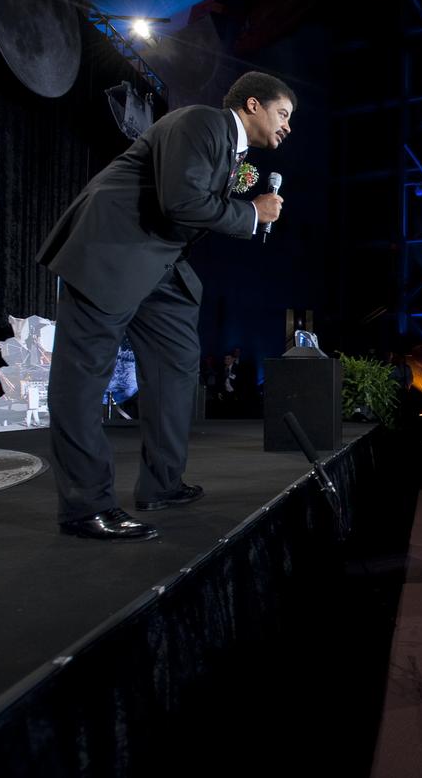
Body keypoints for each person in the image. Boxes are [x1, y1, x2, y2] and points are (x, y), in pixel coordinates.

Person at [39, 71, 293, 541]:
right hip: (111, 250)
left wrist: (241, 202)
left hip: (158, 263)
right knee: (82, 378)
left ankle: (162, 484)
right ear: (253, 105)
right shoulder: (201, 122)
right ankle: (85, 506)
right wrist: (250, 212)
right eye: (283, 114)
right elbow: (181, 200)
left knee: (178, 362)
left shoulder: (230, 149)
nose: (287, 126)